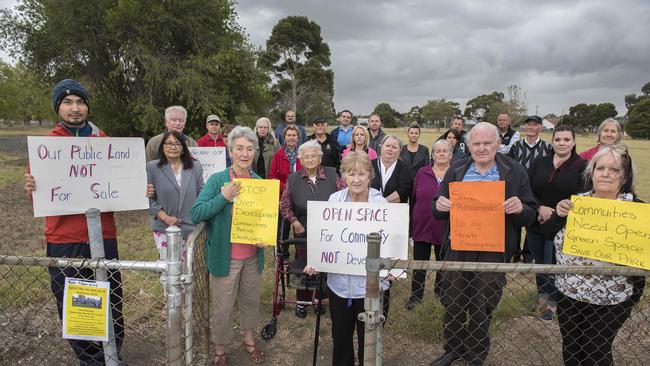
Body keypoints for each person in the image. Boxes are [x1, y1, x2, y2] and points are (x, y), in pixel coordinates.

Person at [24, 79, 126, 365]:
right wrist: (33, 188)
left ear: (87, 106)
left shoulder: (102, 140)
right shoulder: (47, 147)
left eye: (80, 102)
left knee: (111, 295)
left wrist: (135, 188)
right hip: (64, 240)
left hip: (102, 235)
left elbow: (119, 186)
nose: (75, 108)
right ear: (59, 107)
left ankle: (113, 353)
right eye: (68, 103)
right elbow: (41, 201)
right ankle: (89, 358)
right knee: (75, 301)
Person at [431, 122, 537, 366]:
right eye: (476, 143)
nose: (481, 148)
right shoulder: (457, 169)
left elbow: (530, 212)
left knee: (483, 300)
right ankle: (452, 349)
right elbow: (437, 204)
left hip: (494, 249)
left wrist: (521, 208)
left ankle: (476, 353)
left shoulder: (515, 170)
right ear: (469, 146)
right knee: (454, 299)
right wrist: (438, 205)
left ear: (498, 144)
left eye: (487, 143)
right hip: (458, 245)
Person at [543, 144, 645, 366]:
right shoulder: (577, 203)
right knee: (571, 348)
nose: (606, 174)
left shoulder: (635, 209)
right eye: (600, 168)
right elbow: (548, 233)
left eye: (614, 169)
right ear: (592, 171)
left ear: (625, 175)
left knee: (595, 351)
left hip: (611, 299)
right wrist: (559, 215)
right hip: (569, 293)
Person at [190, 126, 266, 366]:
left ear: (254, 152)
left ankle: (249, 339)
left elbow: (265, 220)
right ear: (230, 150)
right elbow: (196, 213)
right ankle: (220, 351)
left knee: (250, 301)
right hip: (226, 258)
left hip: (252, 257)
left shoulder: (259, 182)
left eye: (249, 149)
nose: (244, 153)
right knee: (223, 308)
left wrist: (265, 236)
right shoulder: (218, 180)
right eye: (239, 148)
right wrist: (224, 197)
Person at [305, 151, 389, 366]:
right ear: (343, 177)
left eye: (362, 174)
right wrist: (316, 259)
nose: (357, 179)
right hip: (339, 285)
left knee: (368, 339)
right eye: (351, 174)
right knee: (341, 336)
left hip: (369, 287)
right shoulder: (335, 200)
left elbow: (390, 242)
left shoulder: (381, 205)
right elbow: (325, 237)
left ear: (370, 176)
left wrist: (393, 268)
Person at [526, 125, 587, 321]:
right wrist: (539, 208)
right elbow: (527, 188)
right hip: (537, 222)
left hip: (562, 226)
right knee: (540, 262)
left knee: (553, 262)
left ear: (574, 142)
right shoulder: (540, 162)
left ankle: (553, 301)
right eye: (558, 139)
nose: (562, 143)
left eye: (566, 140)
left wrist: (558, 213)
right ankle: (542, 296)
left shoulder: (582, 166)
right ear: (552, 141)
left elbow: (583, 196)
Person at [279, 140, 345, 318]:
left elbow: (345, 198)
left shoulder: (332, 175)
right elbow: (284, 205)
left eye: (313, 155)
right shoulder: (293, 179)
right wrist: (294, 222)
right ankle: (302, 301)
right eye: (305, 156)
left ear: (320, 157)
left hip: (330, 233)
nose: (309, 159)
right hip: (304, 231)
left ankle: (319, 300)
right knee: (305, 265)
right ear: (300, 159)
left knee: (326, 265)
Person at [406, 139, 452, 310]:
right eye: (437, 151)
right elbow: (413, 198)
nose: (441, 154)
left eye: (445, 151)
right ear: (432, 154)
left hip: (445, 227)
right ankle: (416, 296)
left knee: (443, 262)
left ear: (450, 154)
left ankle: (441, 292)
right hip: (422, 225)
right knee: (420, 263)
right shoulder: (422, 172)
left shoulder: (455, 174)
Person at [146, 130, 204, 260]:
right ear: (163, 147)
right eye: (169, 143)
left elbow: (202, 194)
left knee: (187, 271)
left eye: (177, 144)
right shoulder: (152, 168)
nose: (173, 147)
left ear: (183, 148)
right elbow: (149, 199)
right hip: (164, 228)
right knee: (169, 271)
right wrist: (166, 218)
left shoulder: (196, 167)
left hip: (190, 228)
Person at [507, 115, 553, 263]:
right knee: (515, 220)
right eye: (529, 125)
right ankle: (515, 253)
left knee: (532, 221)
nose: (531, 128)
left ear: (540, 127)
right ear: (525, 127)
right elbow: (510, 167)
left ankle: (528, 255)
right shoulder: (516, 146)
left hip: (537, 191)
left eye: (535, 125)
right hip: (518, 188)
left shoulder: (547, 148)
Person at [269, 125, 303, 251]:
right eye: (289, 135)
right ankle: (283, 256)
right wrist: (287, 188)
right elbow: (272, 177)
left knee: (300, 228)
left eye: (294, 135)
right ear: (284, 137)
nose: (291, 138)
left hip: (300, 197)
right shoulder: (278, 156)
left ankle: (301, 255)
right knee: (283, 229)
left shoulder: (303, 155)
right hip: (283, 197)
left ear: (298, 138)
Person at [371, 135, 413, 204]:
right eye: (387, 146)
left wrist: (383, 202)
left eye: (394, 147)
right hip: (371, 208)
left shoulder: (404, 169)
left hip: (394, 211)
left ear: (400, 151)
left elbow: (404, 189)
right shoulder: (370, 165)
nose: (390, 149)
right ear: (381, 147)